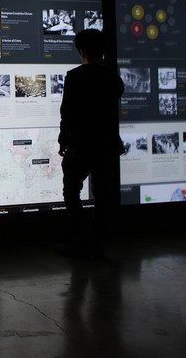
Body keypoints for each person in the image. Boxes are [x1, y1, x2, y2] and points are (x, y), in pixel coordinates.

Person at [58, 29, 125, 256]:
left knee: (71, 191)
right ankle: (96, 242)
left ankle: (79, 238)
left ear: (80, 50)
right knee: (102, 194)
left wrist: (63, 139)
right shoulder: (112, 78)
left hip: (81, 144)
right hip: (105, 144)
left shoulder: (75, 77)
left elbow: (67, 112)